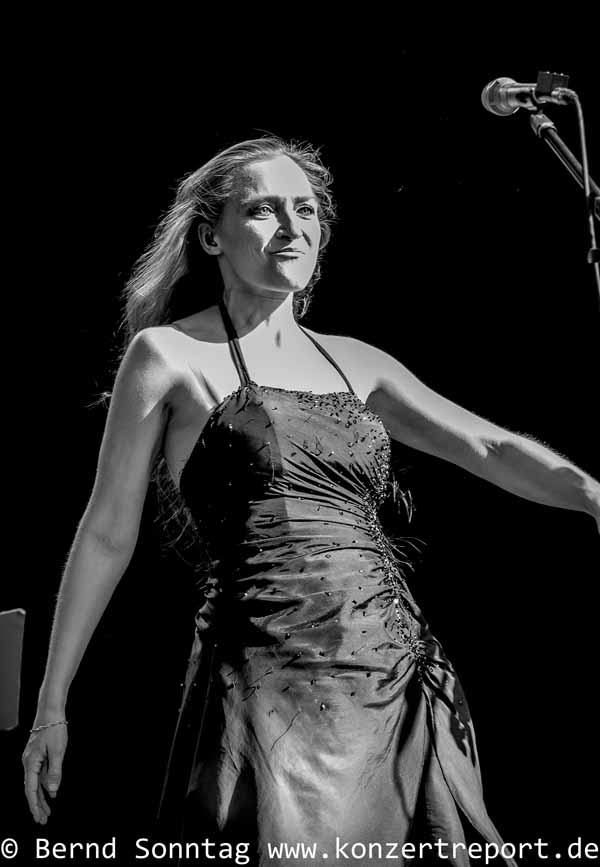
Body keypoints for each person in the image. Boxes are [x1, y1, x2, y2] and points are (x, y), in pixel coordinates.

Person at [23, 136, 599, 866]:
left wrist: (592, 495)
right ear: (211, 236)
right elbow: (107, 533)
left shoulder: (357, 361)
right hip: (264, 672)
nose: (291, 227)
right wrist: (51, 703)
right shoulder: (167, 355)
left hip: (391, 672)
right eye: (263, 210)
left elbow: (487, 448)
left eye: (305, 210)